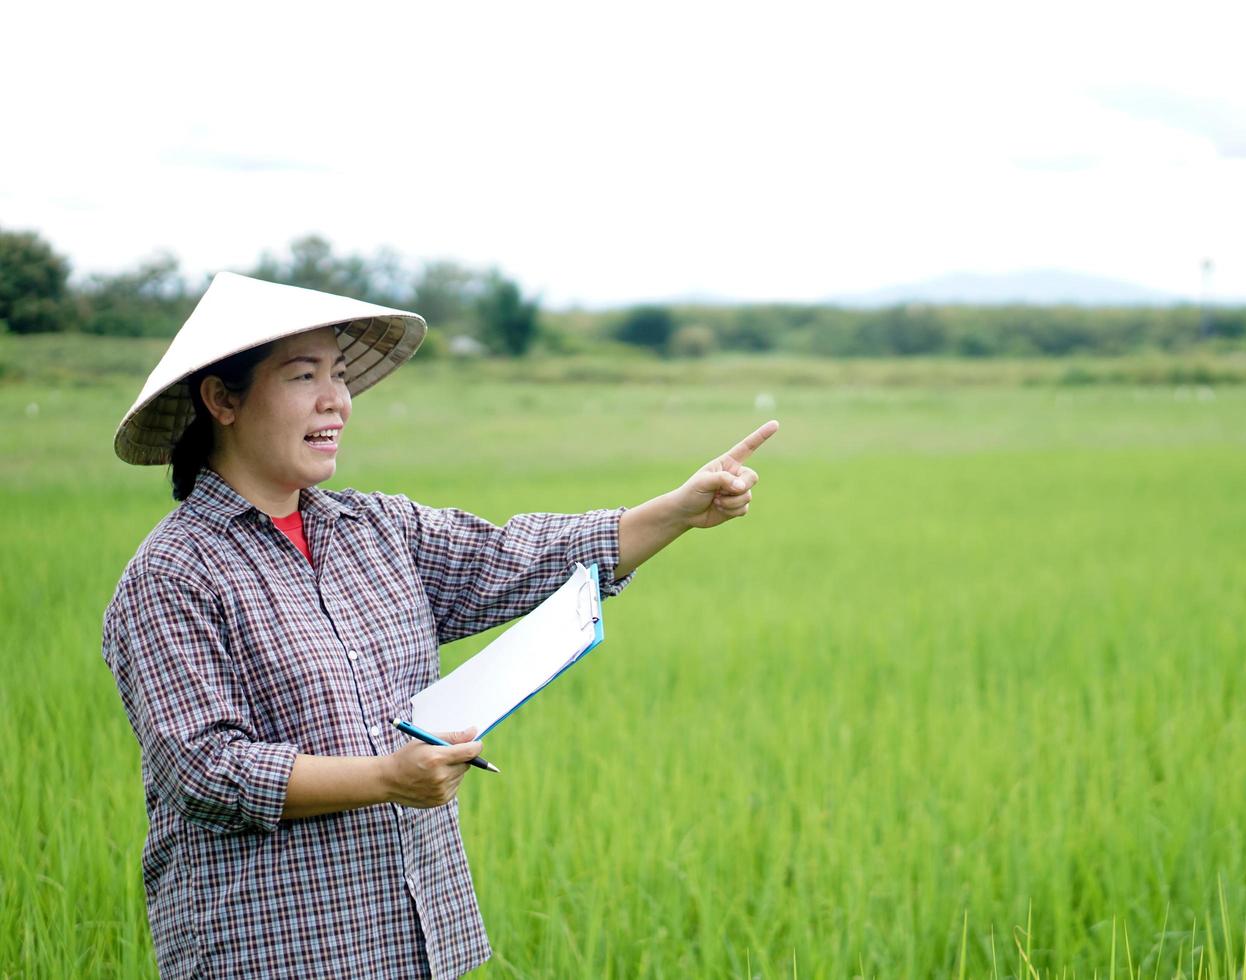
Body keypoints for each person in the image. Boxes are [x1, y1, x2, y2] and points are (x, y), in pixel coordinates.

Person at [101, 271, 777, 978]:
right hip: (276, 948)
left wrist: (675, 511)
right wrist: (387, 778)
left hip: (412, 937)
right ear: (222, 399)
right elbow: (205, 769)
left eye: (338, 374)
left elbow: (511, 558)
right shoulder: (174, 575)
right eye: (304, 376)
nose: (338, 401)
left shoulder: (374, 529)